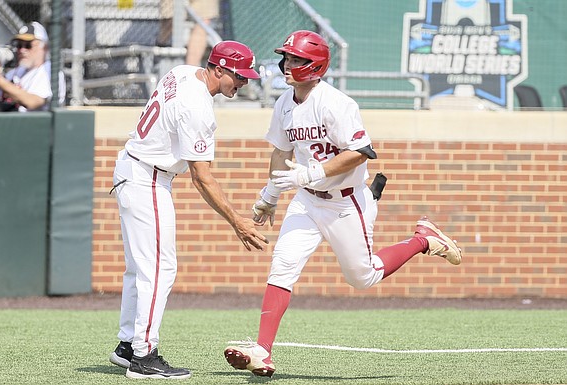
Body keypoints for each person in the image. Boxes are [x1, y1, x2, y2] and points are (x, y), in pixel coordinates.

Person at [223, 30, 463, 377]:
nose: (287, 65)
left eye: (296, 59)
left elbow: (360, 152)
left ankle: (423, 239)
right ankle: (262, 351)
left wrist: (310, 174)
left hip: (346, 202)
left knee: (362, 277)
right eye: (287, 58)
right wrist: (270, 195)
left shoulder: (335, 102)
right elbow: (281, 151)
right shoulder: (283, 103)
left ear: (315, 66)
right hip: (307, 202)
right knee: (283, 265)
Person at [108, 40, 267, 380]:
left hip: (133, 169)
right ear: (219, 68)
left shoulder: (182, 72)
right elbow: (201, 177)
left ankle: (127, 346)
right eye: (239, 76)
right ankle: (143, 356)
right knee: (159, 270)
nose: (243, 83)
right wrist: (237, 221)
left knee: (140, 269)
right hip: (147, 178)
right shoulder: (198, 107)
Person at [0, 21, 65, 112]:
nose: (22, 50)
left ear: (44, 47)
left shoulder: (49, 71)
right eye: (19, 45)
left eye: (28, 45)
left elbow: (33, 102)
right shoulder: (16, 72)